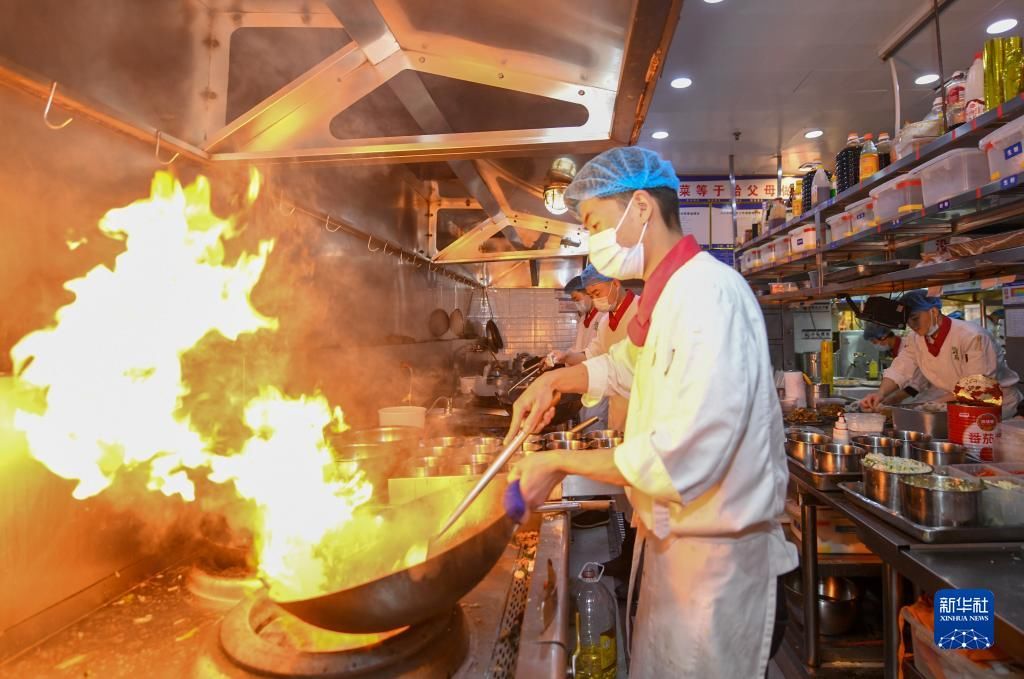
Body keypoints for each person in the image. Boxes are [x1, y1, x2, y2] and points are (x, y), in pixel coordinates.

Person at [506, 146, 798, 679]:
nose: (592, 242)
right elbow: (626, 364)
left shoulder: (710, 296)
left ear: (640, 207)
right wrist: (553, 379)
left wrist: (559, 463)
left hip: (717, 573)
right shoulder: (667, 297)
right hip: (677, 554)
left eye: (594, 222)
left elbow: (686, 454)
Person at [860, 291, 1021, 417]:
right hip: (958, 403)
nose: (912, 324)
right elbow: (900, 369)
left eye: (915, 318)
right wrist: (880, 394)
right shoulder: (915, 340)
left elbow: (979, 385)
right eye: (908, 320)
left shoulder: (972, 335)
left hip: (994, 405)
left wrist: (933, 404)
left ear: (934, 312)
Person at [564, 275, 602, 355]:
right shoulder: (583, 318)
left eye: (577, 299)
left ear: (588, 293)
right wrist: (561, 356)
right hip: (581, 364)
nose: (576, 304)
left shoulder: (602, 315)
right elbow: (577, 347)